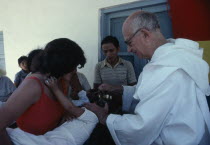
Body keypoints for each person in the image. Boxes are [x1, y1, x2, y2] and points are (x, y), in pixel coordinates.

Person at [84, 11, 210, 145]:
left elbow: (141, 127)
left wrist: (104, 117)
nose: (128, 50)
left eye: (130, 42)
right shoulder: (171, 58)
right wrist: (119, 89)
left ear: (145, 34)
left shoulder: (167, 70)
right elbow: (146, 92)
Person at [0, 38, 98, 145]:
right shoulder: (33, 85)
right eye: (73, 67)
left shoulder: (59, 82)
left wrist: (64, 113)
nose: (75, 71)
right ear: (62, 64)